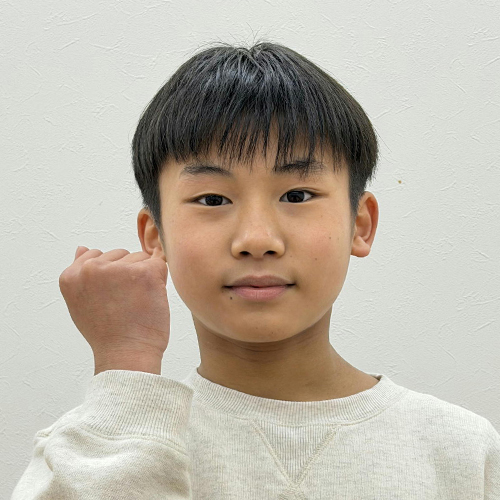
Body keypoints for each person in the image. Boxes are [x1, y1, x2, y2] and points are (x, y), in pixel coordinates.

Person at [12, 41, 500, 499]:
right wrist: (126, 363)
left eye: (297, 195)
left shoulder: (459, 448)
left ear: (360, 224)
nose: (257, 239)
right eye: (212, 200)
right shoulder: (97, 444)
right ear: (155, 236)